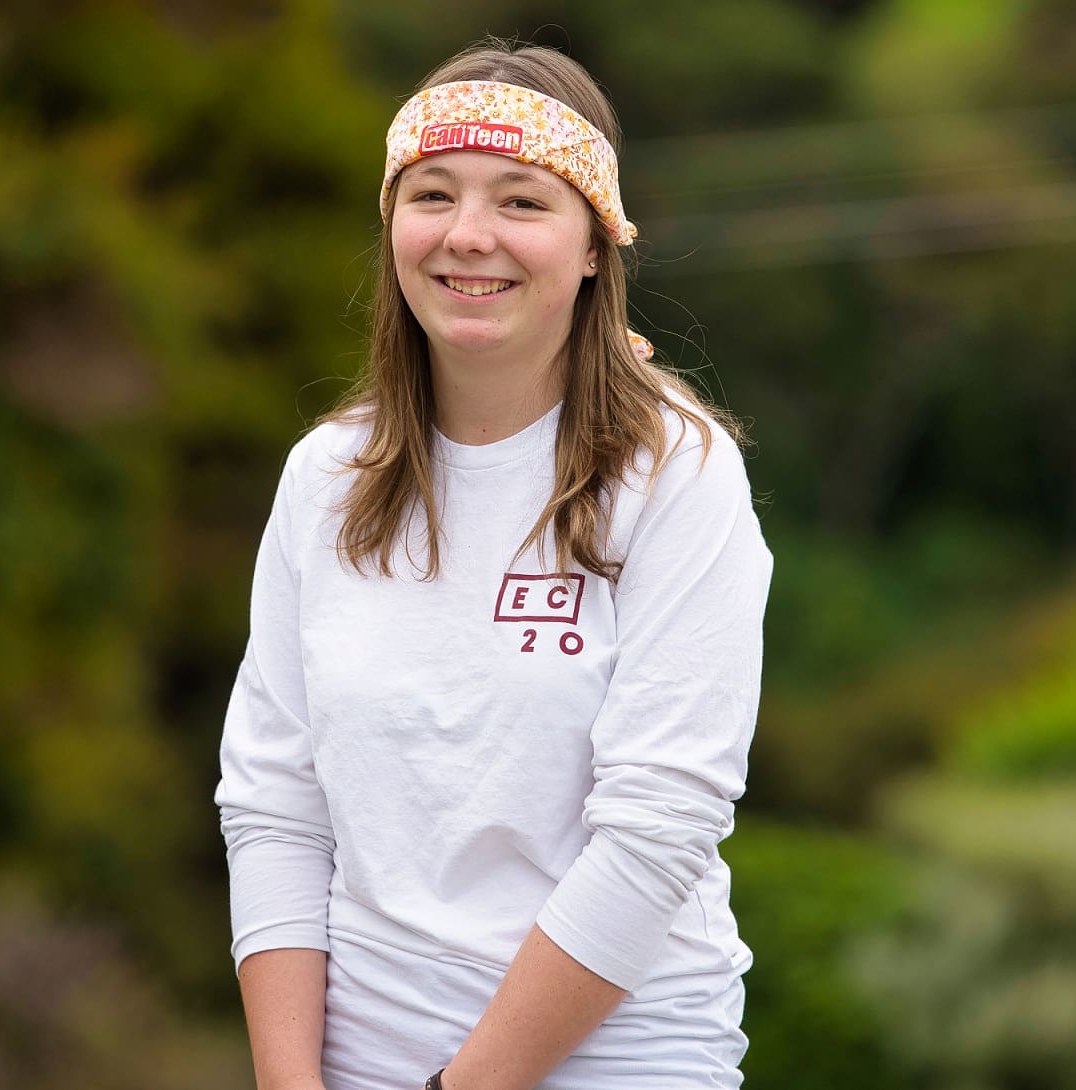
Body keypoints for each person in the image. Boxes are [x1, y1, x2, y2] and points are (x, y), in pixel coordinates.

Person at [215, 38, 773, 1090]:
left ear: (597, 245)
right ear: (391, 227)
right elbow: (273, 804)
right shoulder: (326, 475)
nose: (469, 237)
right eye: (433, 194)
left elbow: (659, 833)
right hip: (353, 1059)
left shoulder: (678, 476)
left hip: (617, 1060)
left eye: (522, 201)